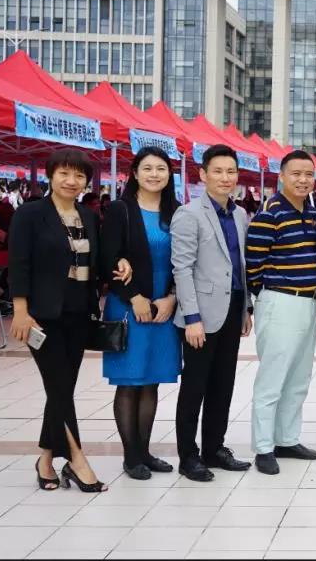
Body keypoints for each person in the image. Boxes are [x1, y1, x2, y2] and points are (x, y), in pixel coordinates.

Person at [8, 149, 131, 493]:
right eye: (64, 173)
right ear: (50, 175)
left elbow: (96, 262)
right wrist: (20, 309)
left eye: (79, 176)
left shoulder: (88, 216)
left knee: (60, 389)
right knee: (59, 386)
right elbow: (19, 263)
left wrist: (120, 263)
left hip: (78, 314)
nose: (71, 181)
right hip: (41, 316)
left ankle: (45, 461)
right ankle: (77, 461)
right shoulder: (30, 214)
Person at [171, 144, 253, 482]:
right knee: (195, 385)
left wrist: (246, 307)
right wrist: (192, 318)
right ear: (203, 175)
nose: (225, 177)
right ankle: (188, 456)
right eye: (217, 171)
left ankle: (214, 448)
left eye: (230, 171)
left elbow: (240, 265)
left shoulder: (239, 214)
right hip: (200, 315)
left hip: (232, 307)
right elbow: (182, 268)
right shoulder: (189, 214)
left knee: (223, 383)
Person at [100, 147, 181, 480]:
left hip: (163, 308)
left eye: (160, 169)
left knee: (151, 381)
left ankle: (144, 452)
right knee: (129, 382)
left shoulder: (177, 211)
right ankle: (130, 456)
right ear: (134, 173)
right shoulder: (120, 210)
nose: (154, 174)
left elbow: (185, 260)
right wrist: (134, 297)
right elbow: (107, 259)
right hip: (128, 306)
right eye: (147, 168)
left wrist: (172, 298)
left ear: (169, 175)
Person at [245, 150, 316, 475]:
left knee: (299, 377)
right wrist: (267, 295)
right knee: (273, 378)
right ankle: (264, 447)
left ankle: (287, 439)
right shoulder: (270, 213)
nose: (303, 180)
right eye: (296, 174)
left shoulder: (312, 211)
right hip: (279, 302)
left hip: (309, 302)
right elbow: (253, 264)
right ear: (282, 176)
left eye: (308, 174)